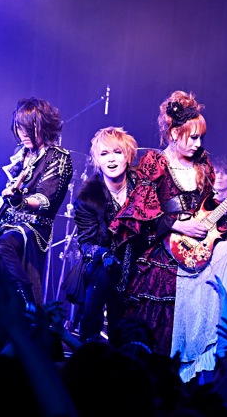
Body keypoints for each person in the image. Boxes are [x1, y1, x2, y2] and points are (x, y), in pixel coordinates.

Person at [110, 90, 227, 383]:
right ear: (174, 133)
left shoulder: (203, 164)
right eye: (192, 137)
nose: (198, 144)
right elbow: (141, 210)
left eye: (201, 138)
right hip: (167, 245)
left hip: (203, 241)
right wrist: (177, 226)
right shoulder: (155, 162)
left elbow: (207, 207)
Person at [0, 97, 73, 353]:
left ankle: (28, 305)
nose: (22, 133)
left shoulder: (58, 157)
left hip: (32, 230)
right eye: (19, 127)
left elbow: (45, 199)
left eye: (27, 127)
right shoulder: (21, 156)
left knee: (2, 246)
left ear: (42, 125)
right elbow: (3, 200)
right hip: (5, 227)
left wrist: (21, 201)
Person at [72, 126, 144, 342]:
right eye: (104, 154)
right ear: (97, 160)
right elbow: (85, 242)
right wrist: (104, 255)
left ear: (128, 156)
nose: (111, 159)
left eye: (117, 152)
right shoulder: (88, 198)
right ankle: (89, 344)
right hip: (104, 263)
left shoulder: (142, 187)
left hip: (138, 261)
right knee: (101, 277)